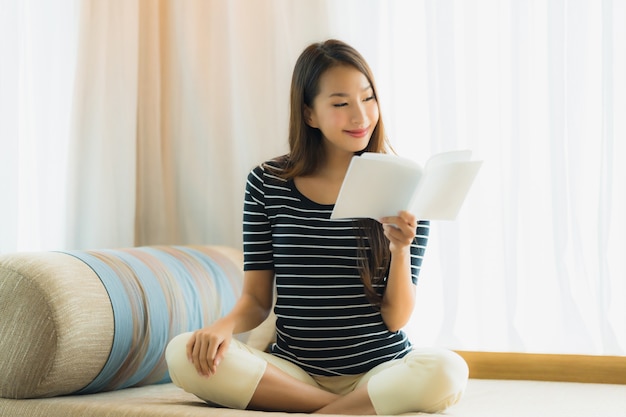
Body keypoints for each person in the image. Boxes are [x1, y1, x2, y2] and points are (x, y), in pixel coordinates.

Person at [165, 39, 468, 415]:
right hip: (293, 371)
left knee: (447, 369)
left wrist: (400, 249)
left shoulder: (403, 184)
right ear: (309, 113)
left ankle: (332, 408)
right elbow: (258, 301)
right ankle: (349, 409)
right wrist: (222, 327)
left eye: (368, 98)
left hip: (380, 370)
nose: (360, 117)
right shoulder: (266, 183)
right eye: (340, 104)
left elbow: (396, 318)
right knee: (183, 352)